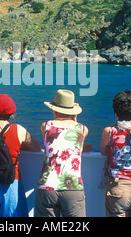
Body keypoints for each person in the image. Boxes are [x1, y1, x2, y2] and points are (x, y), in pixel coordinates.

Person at [35, 89, 91, 217]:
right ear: (72, 112)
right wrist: (74, 118)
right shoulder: (83, 129)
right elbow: (74, 136)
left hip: (47, 185)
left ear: (54, 110)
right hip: (73, 187)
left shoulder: (46, 126)